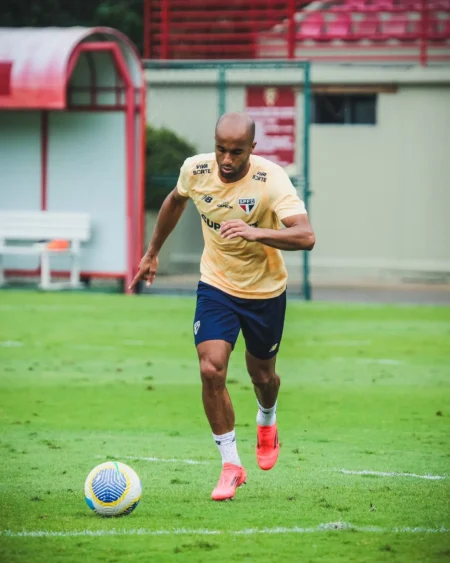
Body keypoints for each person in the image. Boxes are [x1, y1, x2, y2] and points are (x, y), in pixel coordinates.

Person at [130, 112, 315, 501]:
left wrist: (256, 232)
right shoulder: (195, 170)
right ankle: (231, 464)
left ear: (252, 149)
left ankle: (267, 419)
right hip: (216, 285)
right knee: (210, 368)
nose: (227, 160)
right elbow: (175, 201)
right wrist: (151, 252)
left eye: (236, 152)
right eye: (220, 150)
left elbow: (306, 235)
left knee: (263, 377)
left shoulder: (271, 179)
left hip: (265, 291)